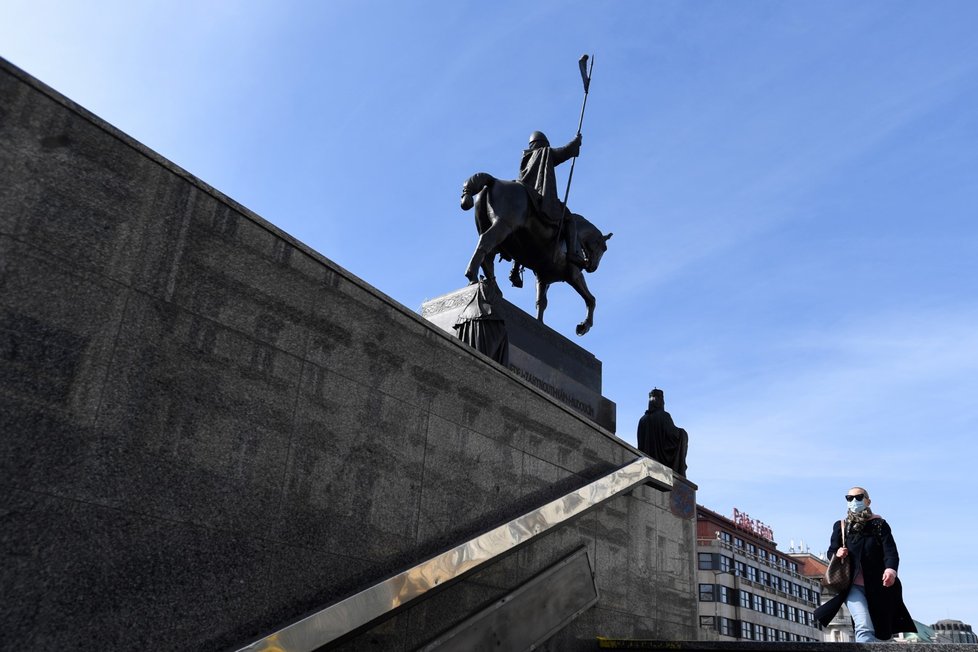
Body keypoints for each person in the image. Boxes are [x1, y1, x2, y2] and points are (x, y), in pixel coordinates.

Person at [814, 487, 916, 642]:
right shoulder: (842, 526)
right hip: (852, 585)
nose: (854, 501)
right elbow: (831, 551)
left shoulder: (879, 525)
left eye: (859, 497)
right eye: (849, 498)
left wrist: (890, 571)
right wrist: (837, 554)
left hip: (879, 585)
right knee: (863, 624)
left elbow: (890, 552)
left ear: (868, 501)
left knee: (882, 630)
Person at [518, 131, 586, 267]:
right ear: (544, 144)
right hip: (540, 197)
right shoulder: (544, 153)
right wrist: (576, 141)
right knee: (569, 218)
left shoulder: (526, 158)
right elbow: (565, 152)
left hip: (527, 195)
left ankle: (515, 267)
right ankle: (572, 253)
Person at [635, 388, 688, 476]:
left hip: (647, 466)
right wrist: (683, 433)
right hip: (662, 467)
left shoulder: (642, 420)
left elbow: (640, 445)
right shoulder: (664, 416)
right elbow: (674, 436)